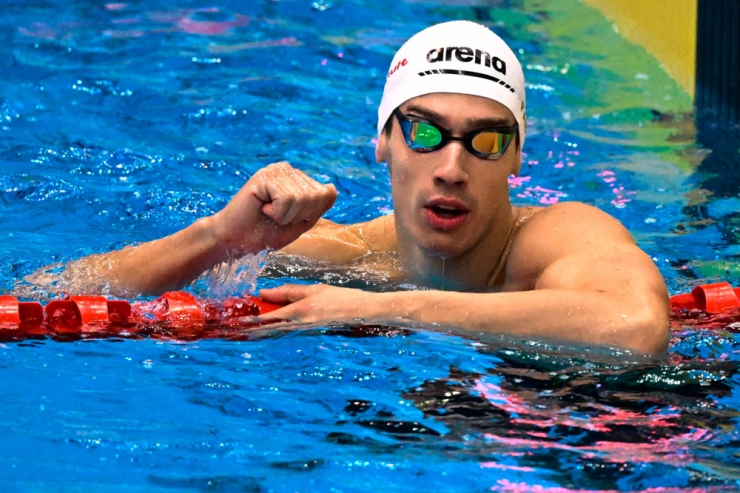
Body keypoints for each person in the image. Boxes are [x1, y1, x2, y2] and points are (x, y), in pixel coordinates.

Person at [38, 21, 669, 353]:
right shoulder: (354, 256)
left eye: (486, 139)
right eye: (426, 133)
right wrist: (218, 238)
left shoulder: (561, 236)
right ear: (383, 143)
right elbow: (47, 297)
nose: (452, 166)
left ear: (516, 159)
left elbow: (635, 324)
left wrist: (377, 309)